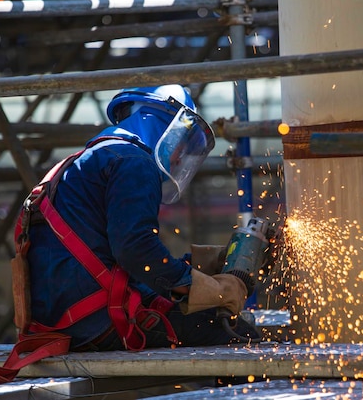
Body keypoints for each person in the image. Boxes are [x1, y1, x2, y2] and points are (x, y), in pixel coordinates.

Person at [20, 85, 260, 351]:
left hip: (65, 321)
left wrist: (206, 264)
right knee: (238, 336)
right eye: (182, 143)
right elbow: (135, 250)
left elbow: (123, 260)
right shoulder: (134, 161)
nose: (180, 155)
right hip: (95, 324)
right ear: (164, 126)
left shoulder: (88, 160)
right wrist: (210, 290)